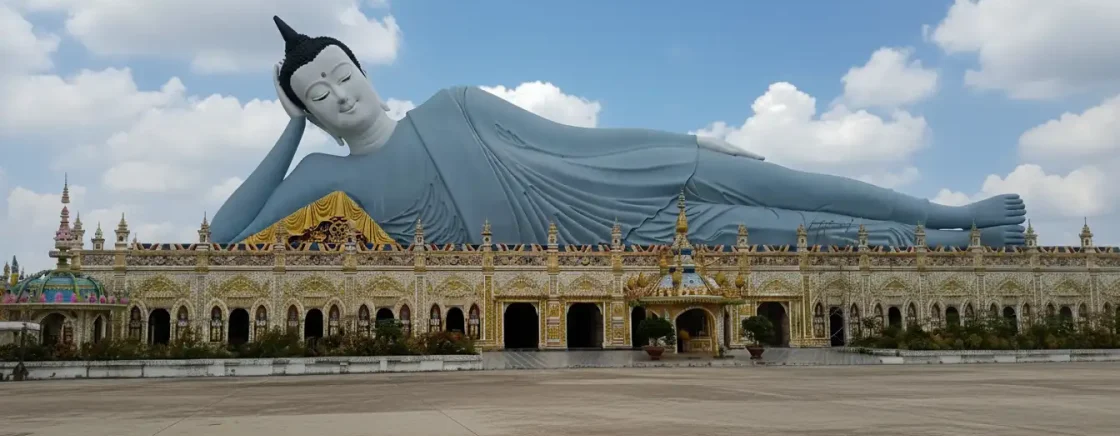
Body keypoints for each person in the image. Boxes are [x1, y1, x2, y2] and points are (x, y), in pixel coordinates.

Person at [210, 16, 1027, 248]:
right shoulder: (329, 176)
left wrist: (687, 140)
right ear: (307, 111)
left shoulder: (455, 103)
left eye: (342, 75)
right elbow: (224, 238)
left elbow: (569, 139)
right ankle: (970, 246)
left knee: (792, 183)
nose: (339, 96)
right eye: (317, 95)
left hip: (612, 179)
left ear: (366, 70)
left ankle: (954, 213)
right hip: (591, 244)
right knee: (796, 235)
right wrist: (284, 134)